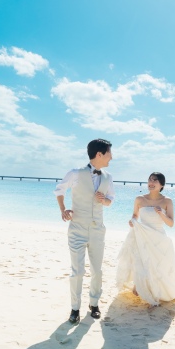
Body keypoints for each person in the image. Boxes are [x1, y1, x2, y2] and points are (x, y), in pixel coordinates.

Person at [54, 139, 115, 324]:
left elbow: (110, 200)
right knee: (77, 271)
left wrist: (104, 200)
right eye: (109, 153)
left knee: (97, 270)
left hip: (98, 230)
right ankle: (74, 308)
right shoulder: (76, 173)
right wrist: (64, 209)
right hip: (77, 229)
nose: (111, 157)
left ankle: (94, 304)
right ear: (99, 154)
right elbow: (59, 190)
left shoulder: (108, 177)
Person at [116, 172, 175, 306]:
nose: (151, 182)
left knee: (158, 265)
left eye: (155, 180)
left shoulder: (167, 201)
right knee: (142, 261)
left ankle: (156, 290)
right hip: (143, 235)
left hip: (159, 237)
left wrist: (161, 214)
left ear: (161, 185)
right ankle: (140, 285)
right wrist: (132, 221)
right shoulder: (140, 199)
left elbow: (171, 223)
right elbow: (134, 215)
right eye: (149, 180)